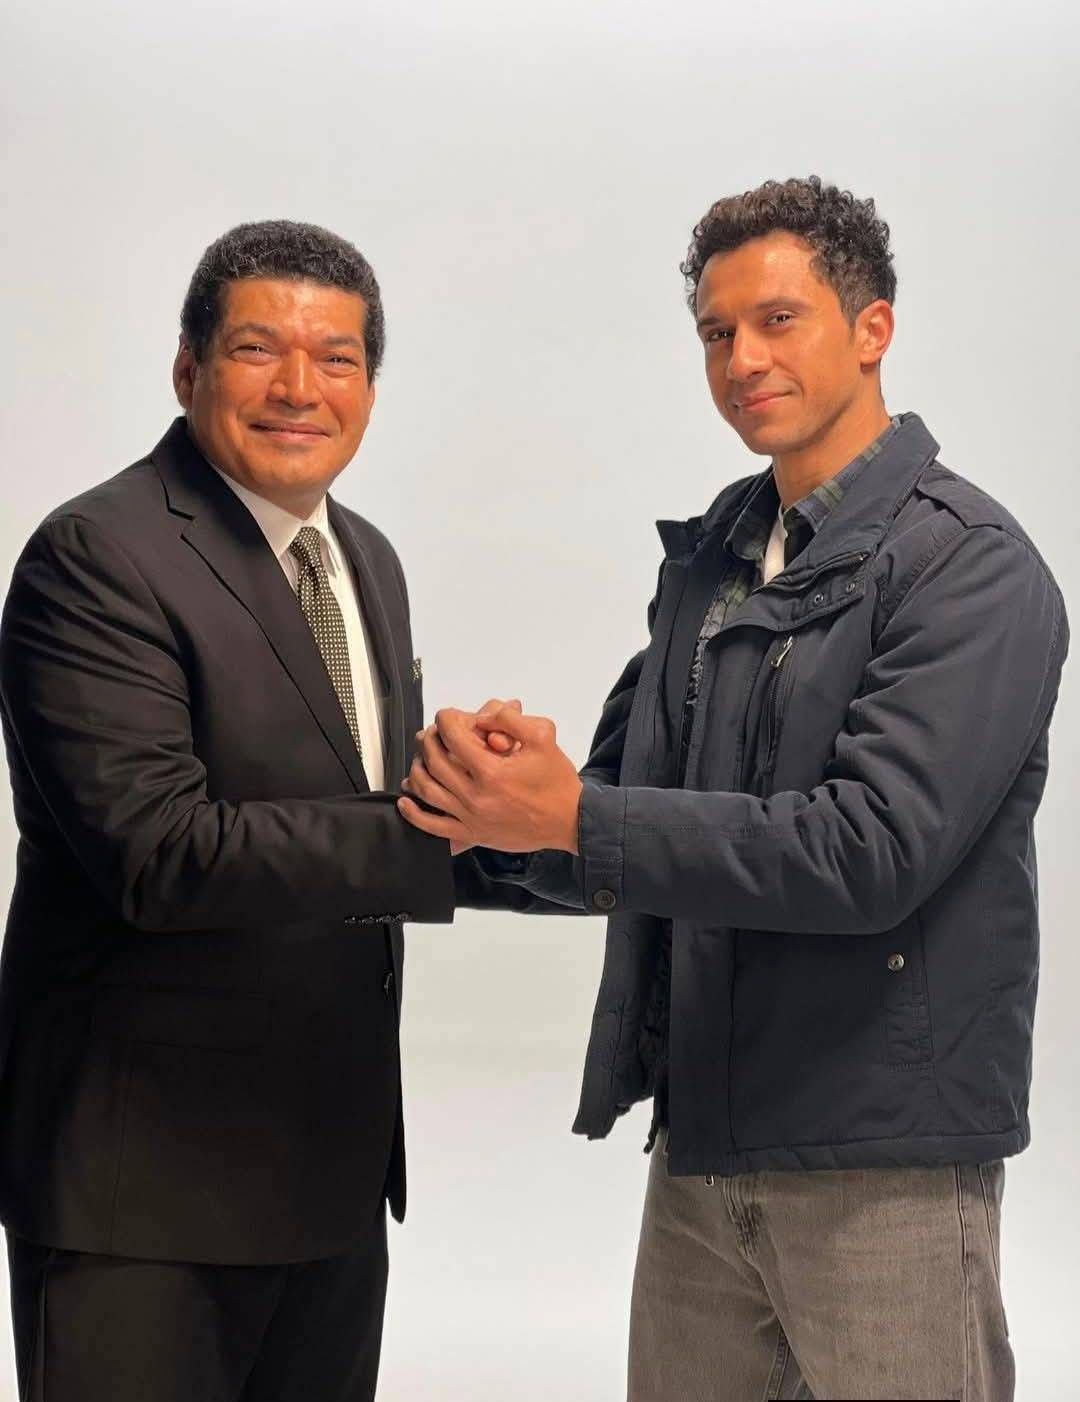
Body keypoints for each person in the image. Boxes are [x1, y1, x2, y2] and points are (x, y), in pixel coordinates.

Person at [400, 176, 1069, 1401]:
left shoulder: (971, 568)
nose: (741, 358)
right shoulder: (716, 553)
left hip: (883, 1168)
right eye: (717, 331)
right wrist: (482, 816)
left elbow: (868, 853)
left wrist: (577, 814)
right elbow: (628, 815)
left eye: (778, 320)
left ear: (872, 329)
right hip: (701, 1157)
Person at [0, 220, 455, 1401]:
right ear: (187, 368)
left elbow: (357, 810)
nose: (301, 387)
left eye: (338, 358)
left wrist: (500, 805)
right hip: (141, 1206)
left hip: (330, 1185)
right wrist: (446, 833)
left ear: (370, 387)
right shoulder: (96, 555)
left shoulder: (366, 558)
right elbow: (159, 852)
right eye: (259, 349)